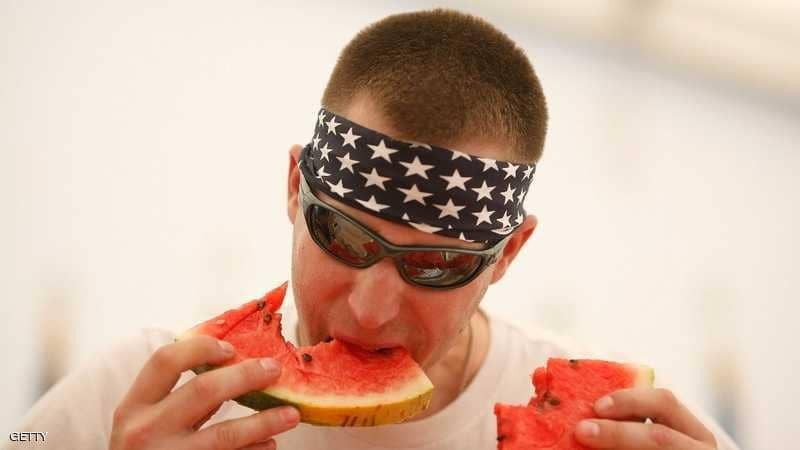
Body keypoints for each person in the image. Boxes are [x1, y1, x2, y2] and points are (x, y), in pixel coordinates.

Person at [7, 9, 739, 450]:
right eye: (344, 238)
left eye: (435, 266)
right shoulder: (138, 393)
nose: (369, 308)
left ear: (507, 254)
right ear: (294, 188)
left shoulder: (623, 432)